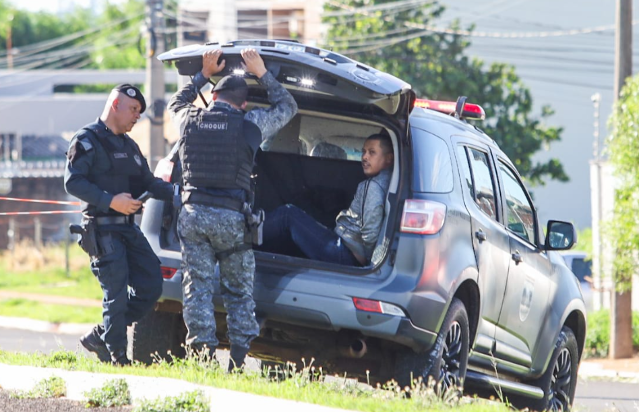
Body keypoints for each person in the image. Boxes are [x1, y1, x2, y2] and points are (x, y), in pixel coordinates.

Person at [168, 48, 298, 371]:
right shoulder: (250, 123)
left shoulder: (188, 118)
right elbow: (288, 107)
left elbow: (174, 103)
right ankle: (237, 362)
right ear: (243, 104)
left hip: (193, 215)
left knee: (196, 288)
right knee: (238, 292)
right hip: (231, 219)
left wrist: (203, 72)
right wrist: (263, 73)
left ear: (213, 96)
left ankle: (202, 358)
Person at [64, 84, 174, 366]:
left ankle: (100, 335)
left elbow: (147, 183)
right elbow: (73, 182)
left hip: (127, 229)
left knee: (151, 285)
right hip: (101, 229)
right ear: (116, 105)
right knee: (116, 296)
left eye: (140, 112)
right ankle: (117, 358)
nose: (137, 116)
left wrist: (181, 194)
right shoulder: (86, 140)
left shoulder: (130, 146)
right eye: (134, 110)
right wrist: (111, 200)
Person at [263, 133, 394, 266]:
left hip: (346, 253)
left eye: (372, 152)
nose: (365, 157)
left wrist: (362, 259)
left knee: (288, 214)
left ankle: (244, 234)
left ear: (388, 158)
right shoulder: (389, 181)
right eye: (364, 152)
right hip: (345, 247)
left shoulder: (372, 186)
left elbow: (371, 233)